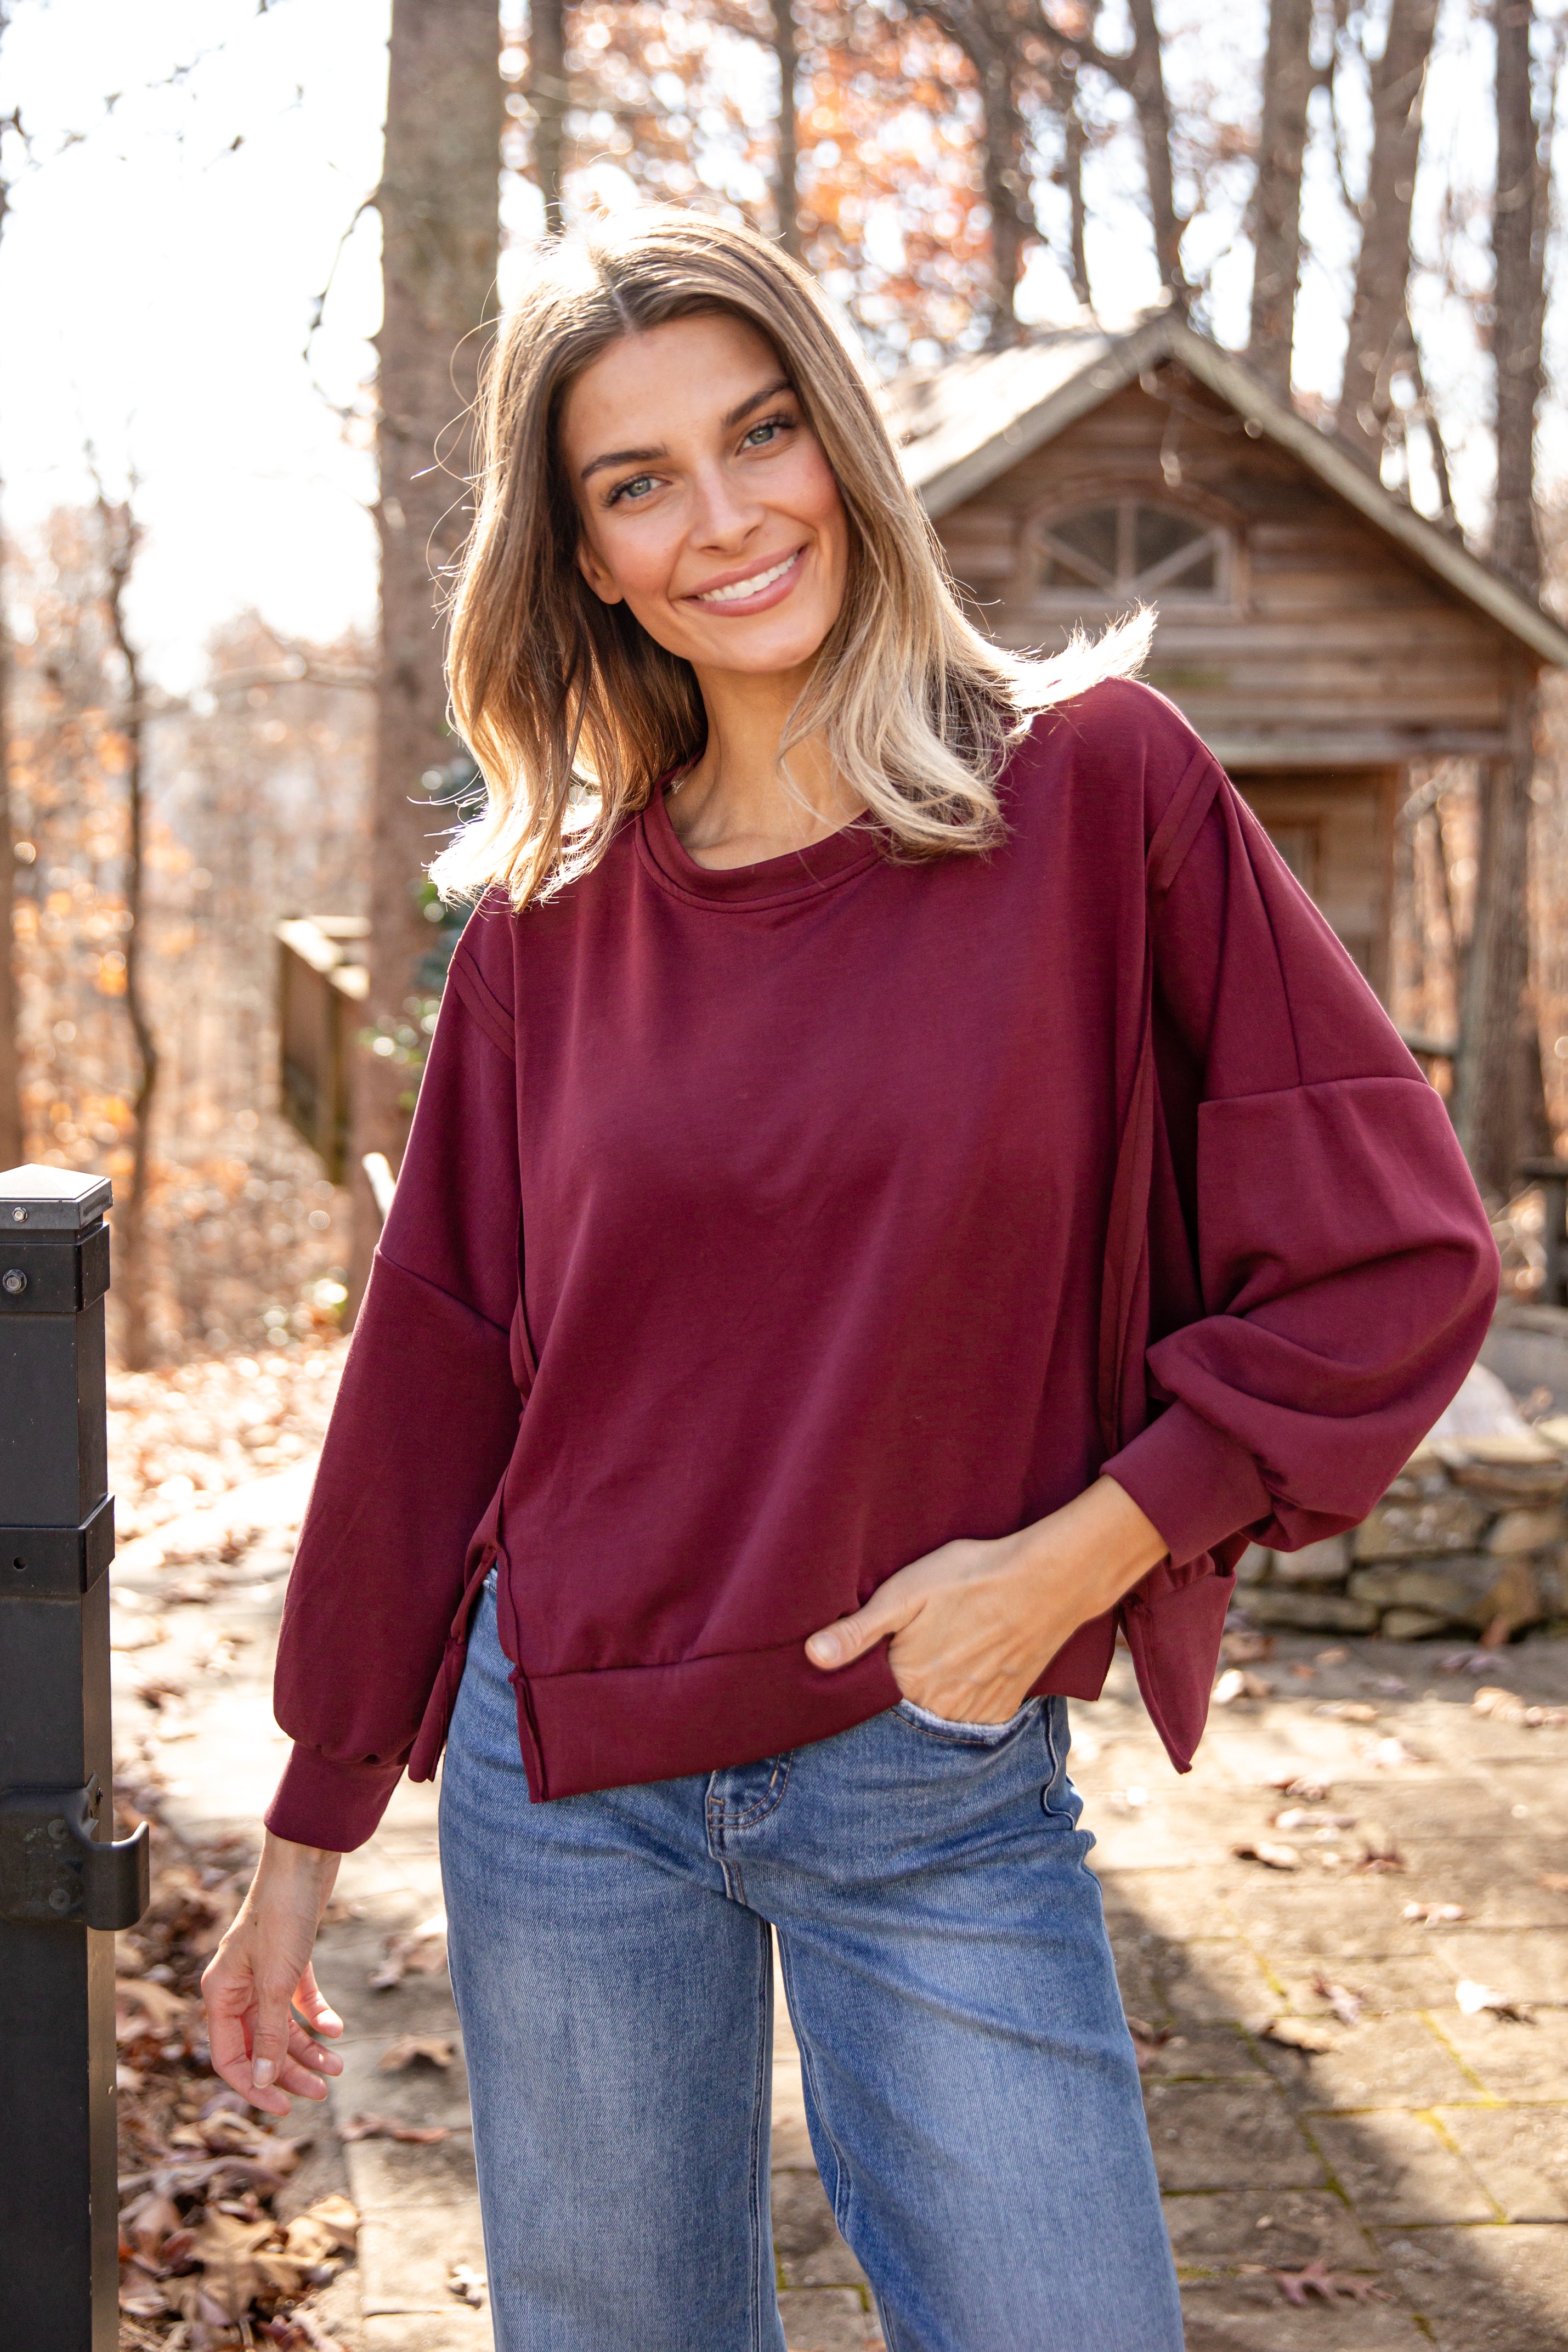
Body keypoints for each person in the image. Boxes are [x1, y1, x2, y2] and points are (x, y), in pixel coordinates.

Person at [202, 212, 1498, 2352]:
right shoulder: (546, 921)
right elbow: (434, 1365)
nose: (722, 517)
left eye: (759, 434)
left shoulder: (1094, 793)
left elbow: (1391, 1257)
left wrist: (1079, 1554)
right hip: (571, 1775)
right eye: (638, 483)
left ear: (843, 446)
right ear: (588, 558)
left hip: (933, 1750)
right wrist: (309, 1826)